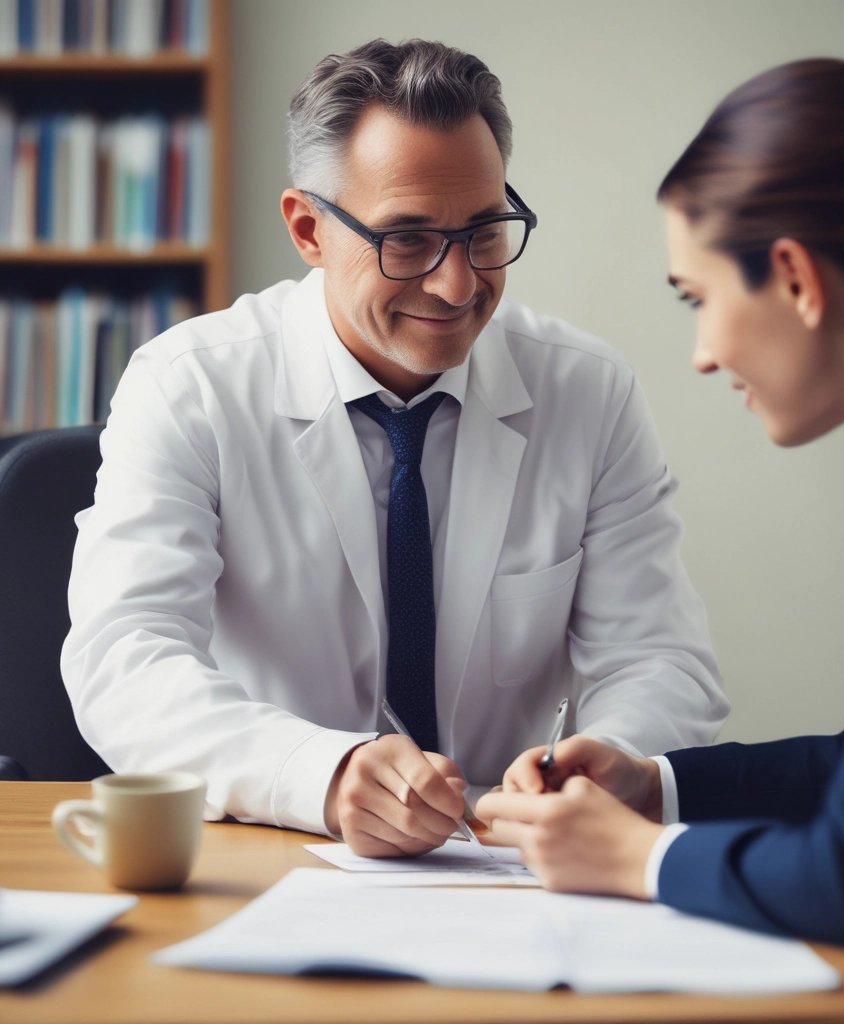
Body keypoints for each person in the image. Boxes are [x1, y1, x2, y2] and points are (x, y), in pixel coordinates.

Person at [60, 39, 727, 856]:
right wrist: (326, 775)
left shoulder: (588, 392)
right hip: (269, 838)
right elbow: (124, 659)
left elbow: (660, 658)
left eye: (484, 231)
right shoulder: (188, 385)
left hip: (505, 857)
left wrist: (606, 761)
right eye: (406, 240)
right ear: (308, 228)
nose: (456, 285)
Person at [476, 54, 844, 1020]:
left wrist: (640, 859)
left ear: (795, 278)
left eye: (697, 299)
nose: (701, 354)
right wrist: (659, 786)